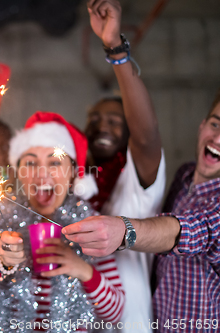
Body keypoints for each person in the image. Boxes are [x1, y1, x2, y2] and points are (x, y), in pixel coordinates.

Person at [63, 90, 220, 333]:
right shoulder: (184, 176)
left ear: (130, 134)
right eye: (215, 124)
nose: (218, 138)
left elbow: (183, 231)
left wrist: (124, 231)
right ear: (203, 125)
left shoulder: (139, 178)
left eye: (114, 121)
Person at [0, 112, 124, 332]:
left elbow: (116, 312)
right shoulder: (0, 216)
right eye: (30, 163)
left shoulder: (91, 223)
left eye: (54, 162)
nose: (41, 173)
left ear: (72, 173)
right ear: (18, 172)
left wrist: (83, 270)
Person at [83, 1, 166, 331]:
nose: (102, 126)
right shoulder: (78, 181)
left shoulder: (137, 175)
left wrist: (115, 48)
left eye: (115, 121)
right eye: (95, 119)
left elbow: (147, 134)